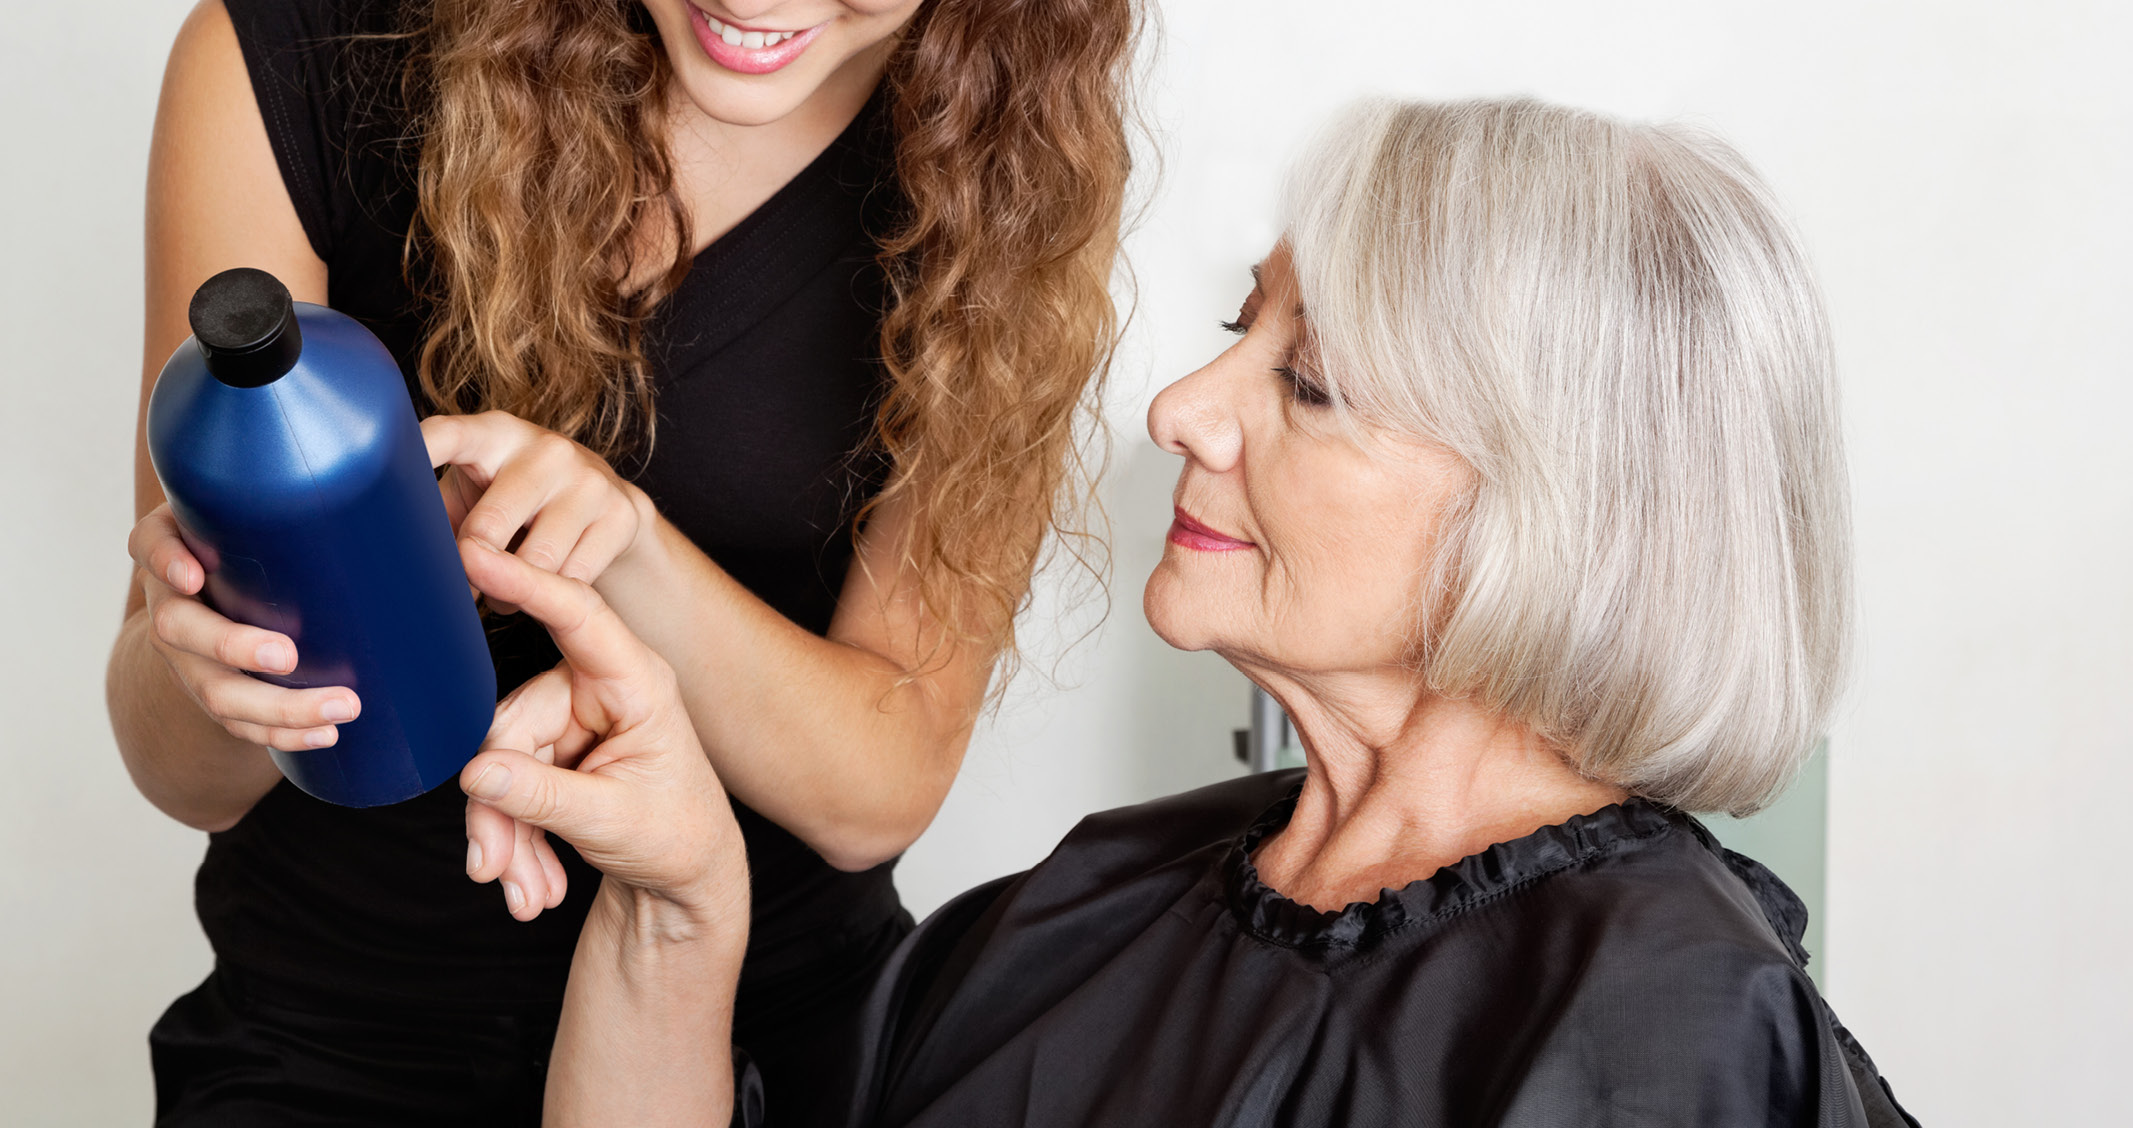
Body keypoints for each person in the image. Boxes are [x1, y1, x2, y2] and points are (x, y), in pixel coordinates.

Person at [105, 0, 1140, 1122]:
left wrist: (621, 547)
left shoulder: (1012, 145)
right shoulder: (292, 49)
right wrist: (209, 682)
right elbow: (180, 775)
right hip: (328, 1039)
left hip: (765, 1032)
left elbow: (878, 785)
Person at [448, 98, 1920, 1126]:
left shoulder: (1671, 1029)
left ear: (1557, 507)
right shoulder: (1092, 900)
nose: (1179, 410)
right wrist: (676, 904)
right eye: (1239, 330)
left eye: (1310, 381)